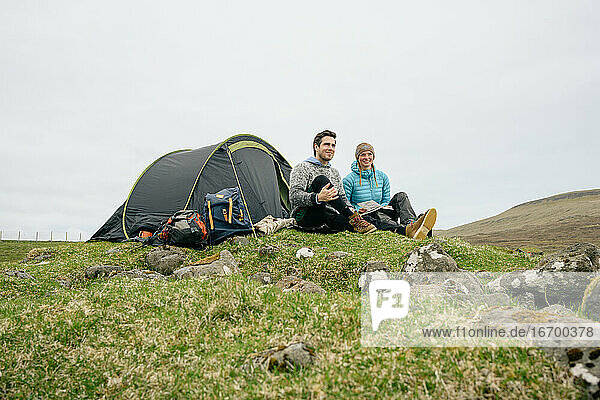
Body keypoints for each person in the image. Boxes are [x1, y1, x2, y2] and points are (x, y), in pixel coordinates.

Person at [342, 142, 436, 239]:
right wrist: (357, 209)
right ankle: (408, 229)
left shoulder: (382, 177)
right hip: (366, 215)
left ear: (373, 156)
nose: (366, 157)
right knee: (377, 214)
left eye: (369, 154)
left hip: (382, 209)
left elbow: (386, 199)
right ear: (358, 158)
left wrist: (383, 206)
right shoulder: (348, 180)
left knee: (401, 195)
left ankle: (411, 223)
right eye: (363, 155)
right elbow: (345, 203)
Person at [289, 130, 377, 234]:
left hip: (328, 215)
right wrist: (317, 198)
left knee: (369, 221)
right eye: (326, 144)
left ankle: (398, 229)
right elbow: (294, 197)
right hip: (304, 216)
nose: (331, 148)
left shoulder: (334, 172)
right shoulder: (302, 167)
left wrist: (350, 208)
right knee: (321, 180)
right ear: (316, 147)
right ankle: (353, 218)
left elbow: (343, 197)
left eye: (333, 145)